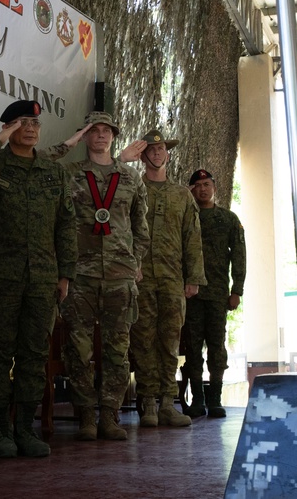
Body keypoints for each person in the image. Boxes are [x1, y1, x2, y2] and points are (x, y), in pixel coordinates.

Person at [0, 100, 77, 458]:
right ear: (9, 127)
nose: (30, 128)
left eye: (35, 123)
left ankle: (24, 428)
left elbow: (66, 225)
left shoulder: (53, 173)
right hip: (0, 275)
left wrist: (66, 273)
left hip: (42, 279)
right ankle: (0, 429)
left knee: (33, 353)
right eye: (21, 122)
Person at [61, 111, 149, 441]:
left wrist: (133, 261)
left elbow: (142, 228)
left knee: (117, 349)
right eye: (93, 131)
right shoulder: (68, 174)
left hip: (120, 276)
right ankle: (85, 414)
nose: (100, 135)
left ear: (114, 136)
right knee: (78, 349)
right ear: (84, 136)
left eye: (106, 131)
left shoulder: (130, 178)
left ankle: (110, 415)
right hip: (80, 275)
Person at [131, 129, 205, 428]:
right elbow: (124, 230)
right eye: (151, 149)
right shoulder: (134, 189)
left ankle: (167, 403)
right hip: (141, 278)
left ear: (168, 155)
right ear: (143, 155)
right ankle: (147, 403)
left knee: (170, 341)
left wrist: (194, 277)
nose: (158, 153)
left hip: (173, 279)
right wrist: (130, 265)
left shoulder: (181, 195)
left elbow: (192, 237)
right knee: (143, 339)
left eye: (162, 149)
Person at [185, 168, 246, 418]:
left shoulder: (228, 219)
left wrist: (237, 290)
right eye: (198, 185)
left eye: (207, 184)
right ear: (192, 190)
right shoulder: (186, 216)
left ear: (214, 188)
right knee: (192, 346)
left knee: (216, 346)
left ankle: (215, 397)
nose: (203, 189)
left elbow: (239, 255)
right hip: (190, 293)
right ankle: (197, 398)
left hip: (219, 293)